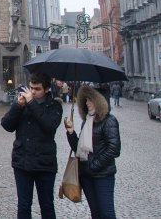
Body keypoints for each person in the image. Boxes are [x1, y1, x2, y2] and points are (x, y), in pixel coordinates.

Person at [0, 72, 64, 219]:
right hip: (22, 161)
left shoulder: (54, 106)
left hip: (44, 163)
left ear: (46, 89)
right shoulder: (23, 104)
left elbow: (49, 126)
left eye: (37, 89)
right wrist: (17, 106)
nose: (33, 92)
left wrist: (31, 104)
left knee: (47, 205)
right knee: (23, 205)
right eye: (31, 88)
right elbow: (6, 125)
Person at [65, 84, 121, 219]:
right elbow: (78, 149)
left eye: (90, 99)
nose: (87, 102)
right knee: (95, 213)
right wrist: (71, 132)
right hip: (86, 175)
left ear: (98, 101)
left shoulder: (109, 121)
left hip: (102, 175)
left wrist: (94, 165)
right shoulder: (87, 121)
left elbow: (114, 149)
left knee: (106, 214)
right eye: (86, 100)